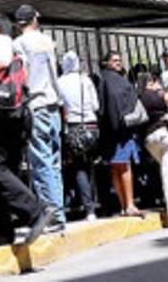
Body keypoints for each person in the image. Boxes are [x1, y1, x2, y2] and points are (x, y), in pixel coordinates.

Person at [0, 14, 55, 246]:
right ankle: (1, 229)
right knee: (4, 171)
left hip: (6, 114)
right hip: (15, 114)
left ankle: (35, 212)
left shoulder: (2, 42)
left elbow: (2, 63)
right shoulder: (15, 45)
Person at [12, 5, 66, 229]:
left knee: (41, 161)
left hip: (34, 103)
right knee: (54, 162)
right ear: (34, 20)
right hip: (52, 103)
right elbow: (55, 73)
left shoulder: (18, 44)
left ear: (18, 24)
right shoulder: (47, 40)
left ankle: (51, 214)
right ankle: (58, 213)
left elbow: (20, 77)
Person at [136, 74, 168, 227]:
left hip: (149, 139)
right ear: (151, 82)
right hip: (165, 134)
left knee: (164, 171)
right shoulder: (159, 95)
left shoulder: (138, 98)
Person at [96, 50, 140, 217]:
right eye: (115, 60)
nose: (118, 62)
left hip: (109, 130)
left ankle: (124, 205)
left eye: (119, 60)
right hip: (120, 130)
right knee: (124, 167)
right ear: (106, 62)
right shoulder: (115, 81)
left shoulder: (103, 79)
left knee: (115, 168)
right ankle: (129, 204)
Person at [58, 50, 100, 221]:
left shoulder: (60, 82)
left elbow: (60, 103)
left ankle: (88, 207)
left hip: (74, 127)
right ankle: (94, 201)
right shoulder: (86, 80)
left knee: (79, 167)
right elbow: (96, 105)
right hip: (92, 125)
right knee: (90, 164)